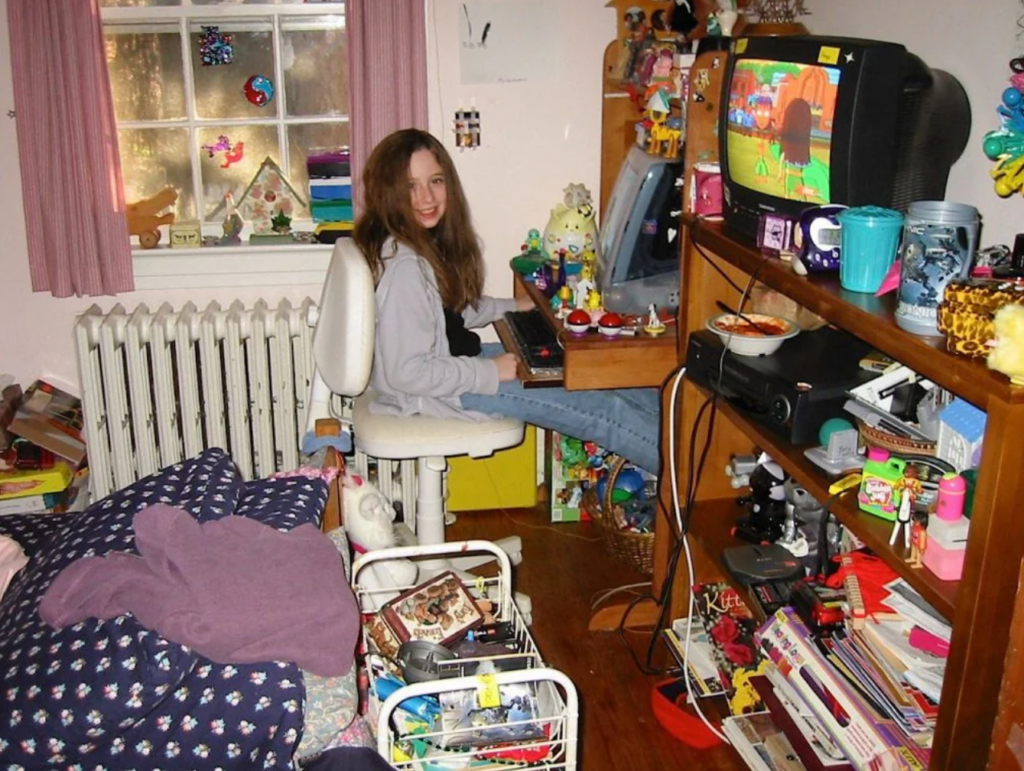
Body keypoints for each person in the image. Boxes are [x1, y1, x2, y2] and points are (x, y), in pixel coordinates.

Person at [353, 129, 661, 475]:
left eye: (435, 181)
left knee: (610, 380)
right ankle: (689, 485)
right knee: (604, 413)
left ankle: (687, 455)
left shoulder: (413, 243)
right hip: (443, 389)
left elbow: (443, 314)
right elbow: (408, 372)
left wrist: (513, 306)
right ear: (389, 192)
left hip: (453, 368)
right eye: (411, 185)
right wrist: (489, 371)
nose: (426, 197)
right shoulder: (405, 268)